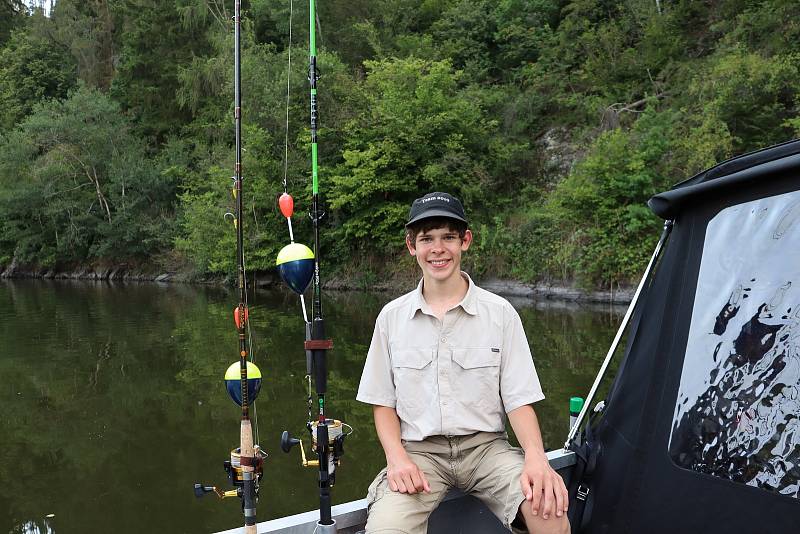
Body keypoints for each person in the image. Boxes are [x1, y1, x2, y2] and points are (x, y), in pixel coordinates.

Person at [356, 192, 570, 534]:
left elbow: (519, 400)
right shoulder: (391, 318)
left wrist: (535, 456)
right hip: (419, 454)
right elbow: (382, 403)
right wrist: (396, 459)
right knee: (385, 529)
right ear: (412, 246)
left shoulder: (500, 314)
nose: (437, 249)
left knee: (550, 513)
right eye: (427, 239)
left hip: (487, 450)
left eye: (448, 237)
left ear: (464, 241)